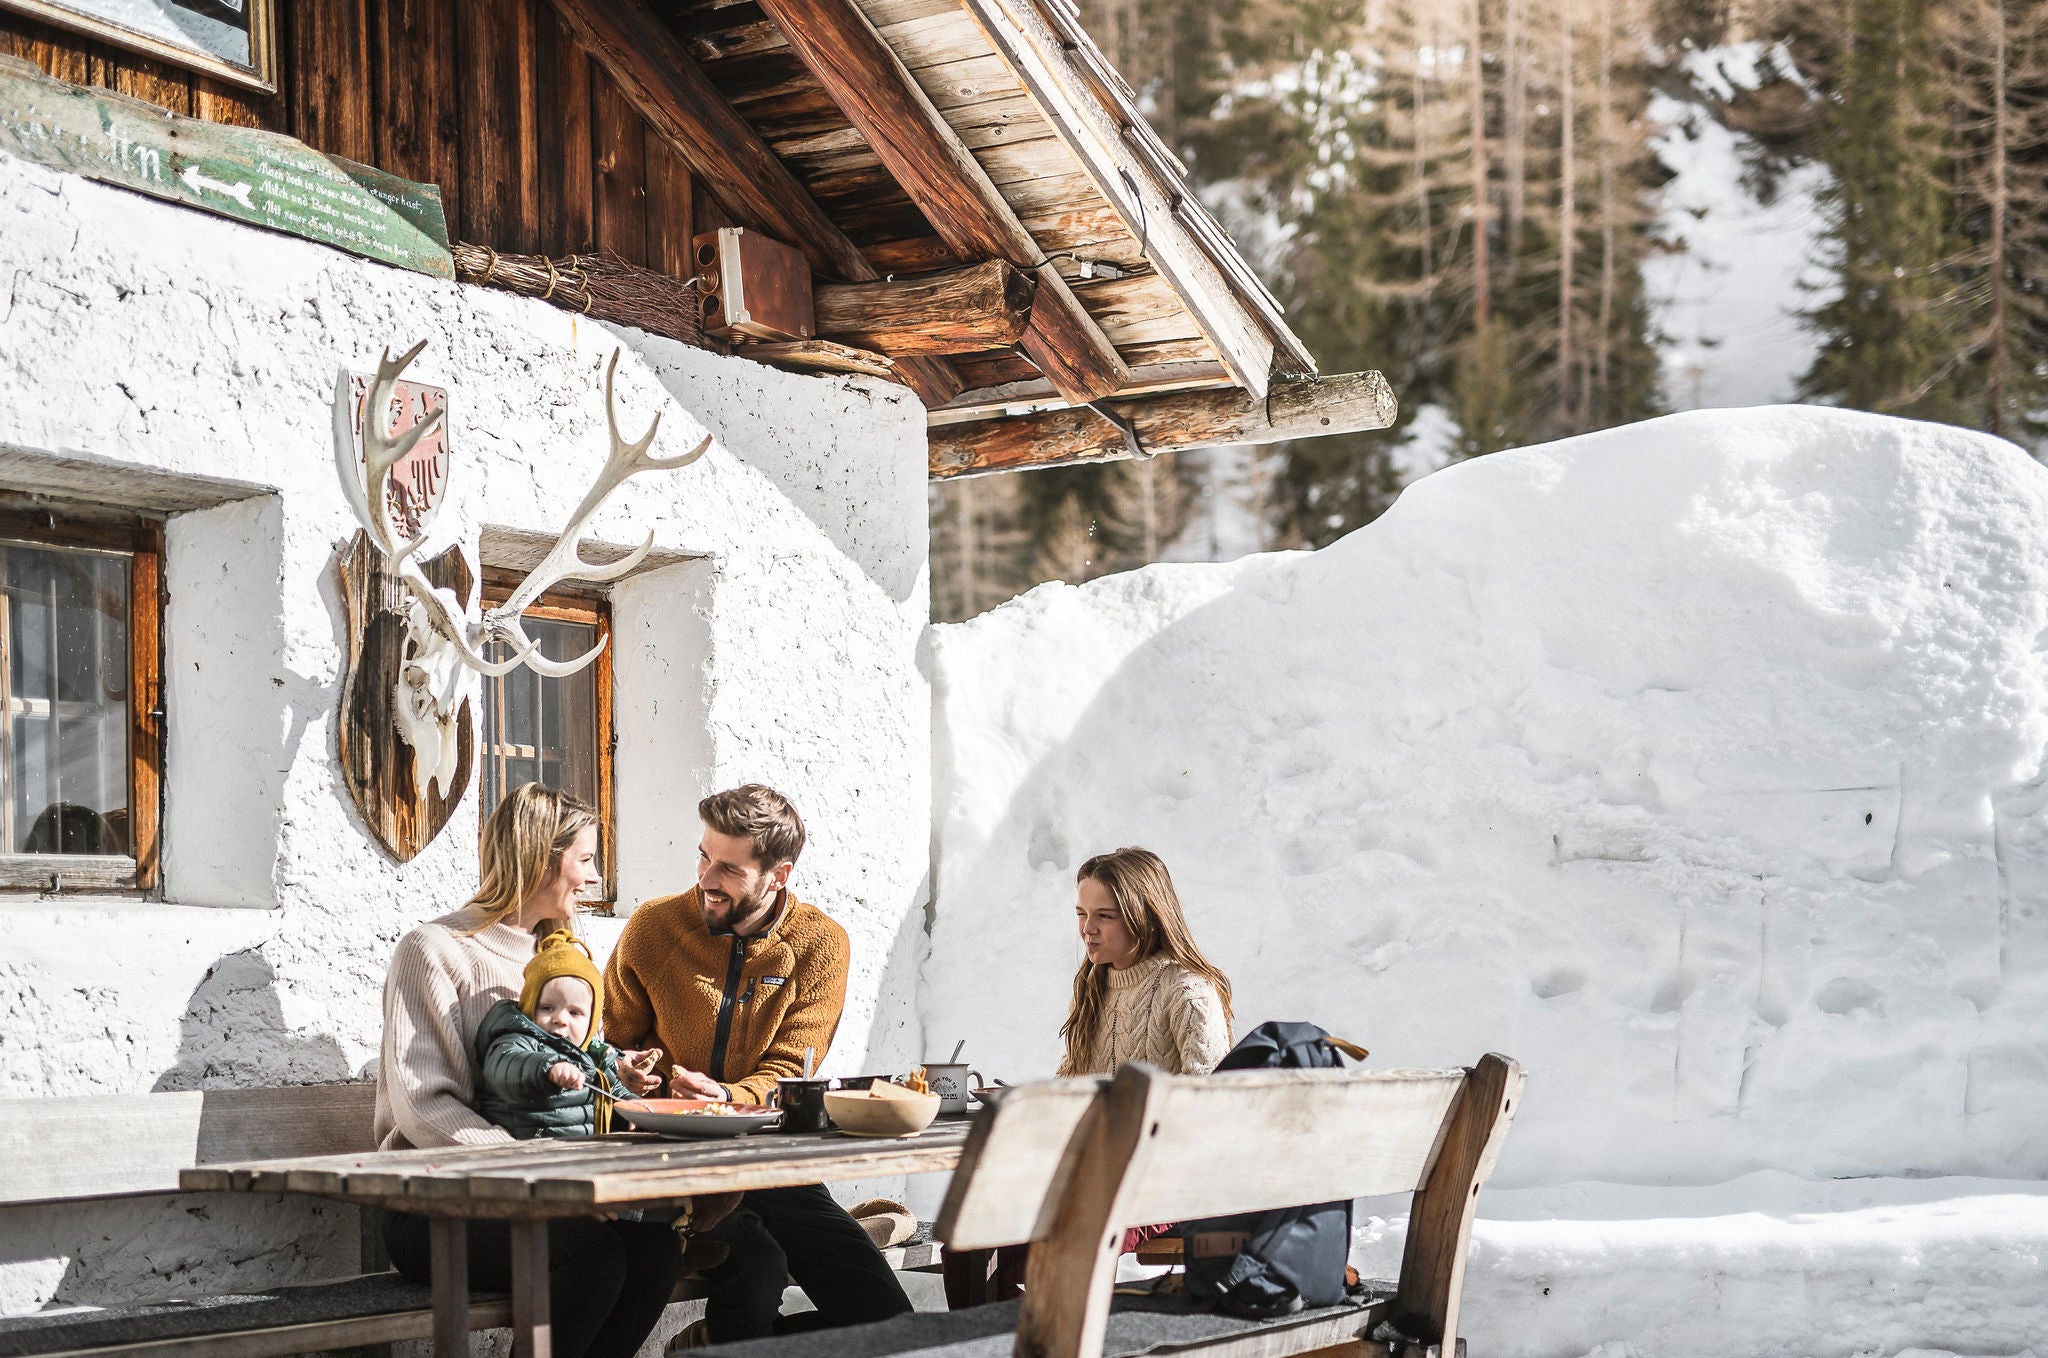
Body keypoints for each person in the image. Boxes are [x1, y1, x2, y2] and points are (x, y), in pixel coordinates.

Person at [373, 784, 735, 1358]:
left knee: (655, 1251)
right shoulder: (434, 950)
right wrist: (543, 1176)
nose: (593, 879)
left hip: (546, 1194)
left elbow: (573, 1079)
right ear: (540, 856)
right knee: (590, 1254)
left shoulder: (562, 957)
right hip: (436, 1206)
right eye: (586, 860)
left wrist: (616, 1089)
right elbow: (423, 1106)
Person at [603, 784, 915, 1341]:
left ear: (780, 875)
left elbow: (790, 1071)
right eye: (703, 855)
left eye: (729, 868)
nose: (705, 878)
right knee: (756, 1273)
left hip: (774, 1162)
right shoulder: (653, 927)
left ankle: (714, 1346)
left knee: (890, 1325)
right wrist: (633, 1068)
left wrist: (727, 1099)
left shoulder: (820, 944)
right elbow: (608, 1043)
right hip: (667, 1169)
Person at [946, 845, 1236, 1308]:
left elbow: (1211, 1112)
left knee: (1040, 1238)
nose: (1087, 928)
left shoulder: (1187, 989)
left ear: (1146, 915)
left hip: (1159, 1184)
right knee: (971, 1233)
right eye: (1081, 913)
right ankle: (985, 1343)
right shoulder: (1095, 982)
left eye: (1105, 915)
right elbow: (1074, 1083)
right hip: (1091, 1172)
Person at [474, 926, 631, 1138]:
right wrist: (549, 1068)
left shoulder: (588, 1056)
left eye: (575, 1012)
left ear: (591, 1021)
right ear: (530, 1007)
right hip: (527, 1150)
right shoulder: (516, 1039)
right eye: (547, 1008)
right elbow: (507, 1066)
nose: (560, 1019)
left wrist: (639, 1111)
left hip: (578, 1155)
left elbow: (615, 1093)